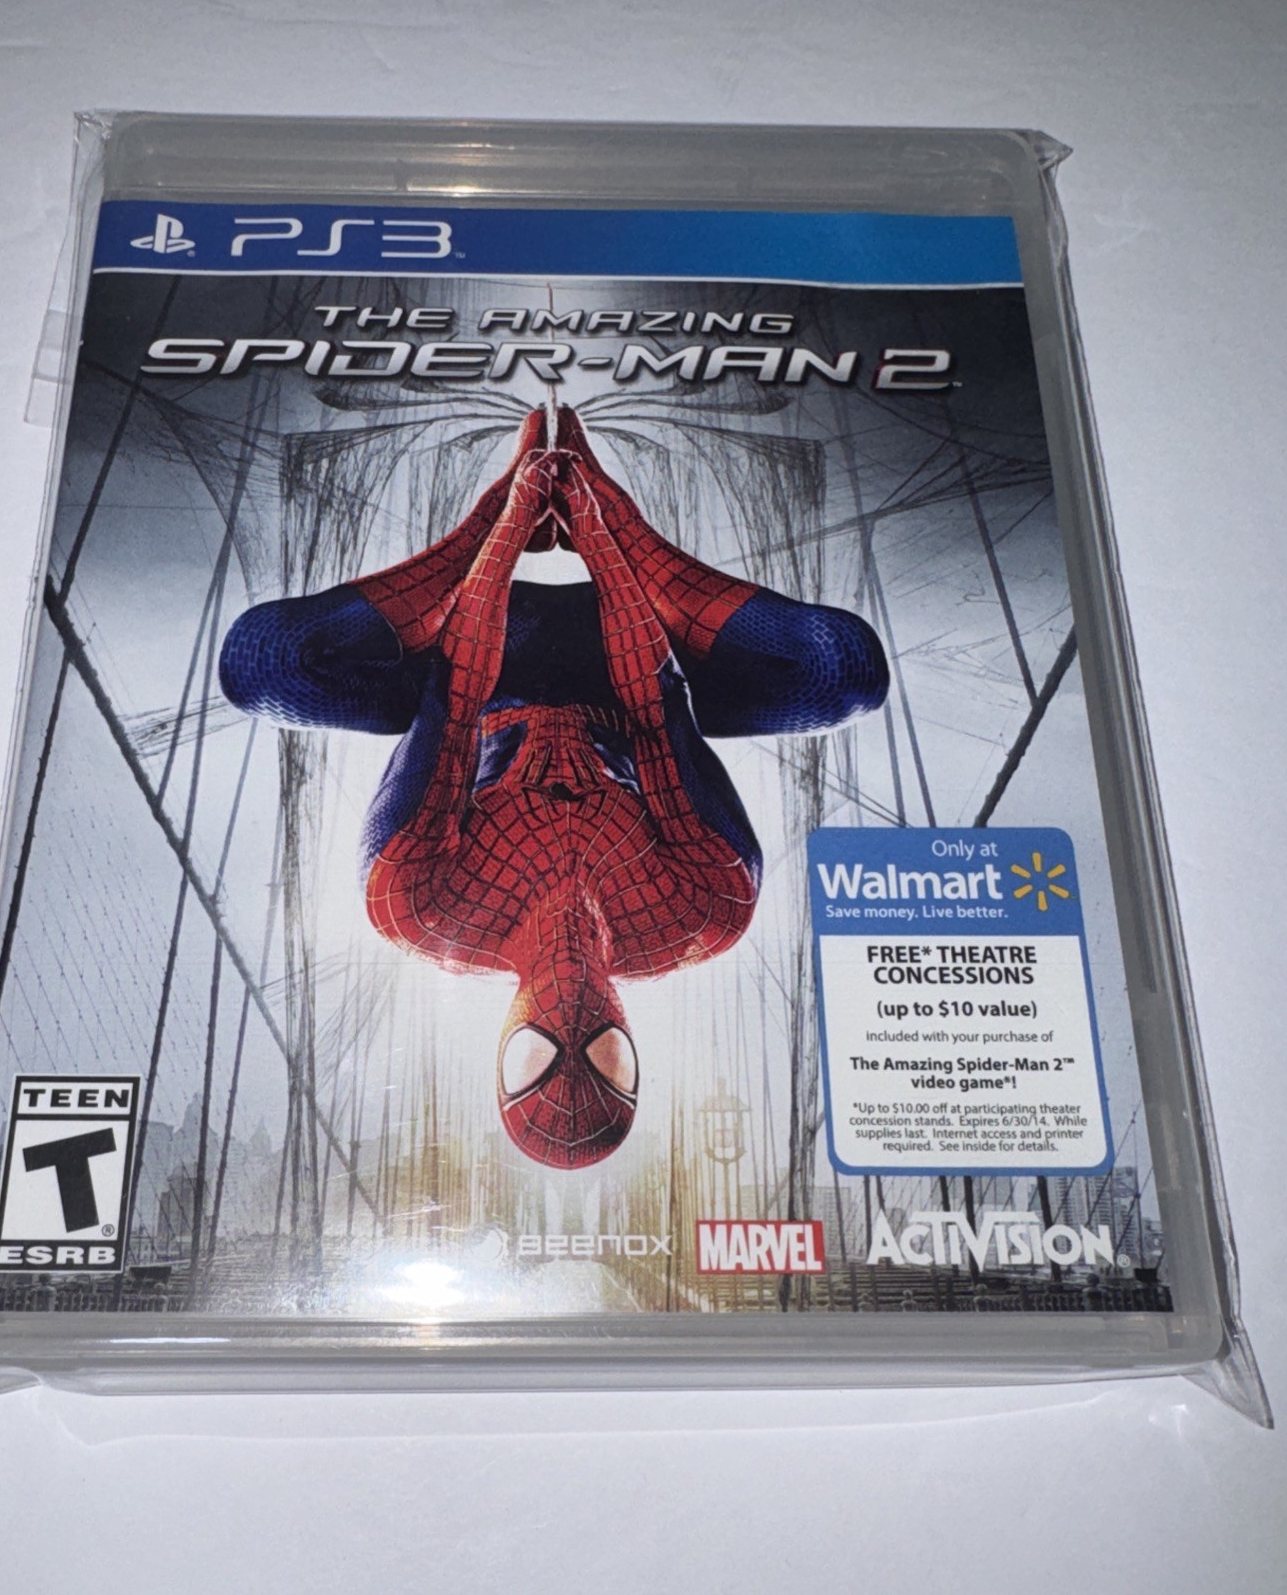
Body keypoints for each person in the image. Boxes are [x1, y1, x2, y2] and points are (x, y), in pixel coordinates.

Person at [220, 409, 888, 1168]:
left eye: (536, 1062)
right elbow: (657, 708)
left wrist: (505, 521)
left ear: (502, 1054)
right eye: (605, 1063)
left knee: (260, 664)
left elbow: (452, 700)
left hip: (486, 663)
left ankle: (500, 510)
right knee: (845, 671)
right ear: (633, 1055)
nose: (570, 1032)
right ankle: (605, 503)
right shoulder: (705, 913)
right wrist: (603, 530)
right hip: (626, 658)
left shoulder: (418, 910)